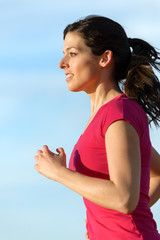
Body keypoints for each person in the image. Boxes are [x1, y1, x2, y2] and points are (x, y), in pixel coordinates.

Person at [34, 16, 160, 240]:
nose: (62, 63)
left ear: (104, 58)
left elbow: (124, 199)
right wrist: (106, 221)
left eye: (72, 53)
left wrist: (59, 173)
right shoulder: (107, 116)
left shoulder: (119, 114)